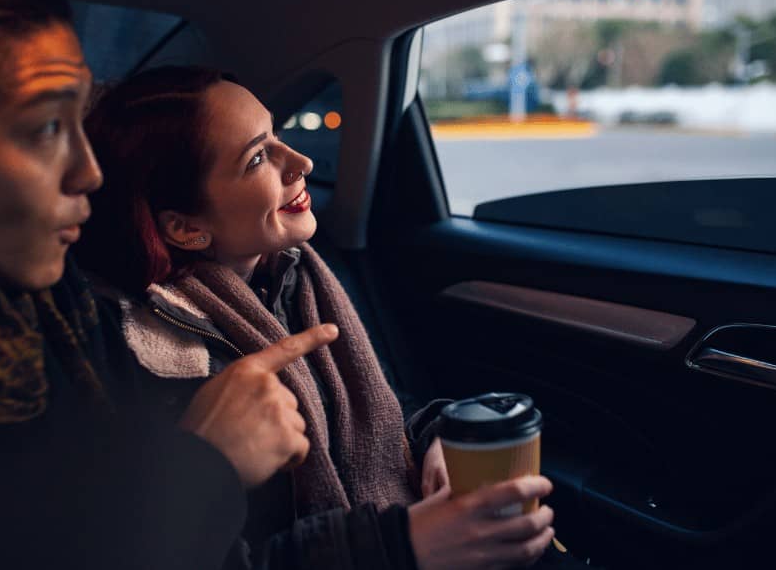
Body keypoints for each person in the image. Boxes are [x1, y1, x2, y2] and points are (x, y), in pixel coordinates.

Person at [0, 0, 330, 570]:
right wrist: (205, 465)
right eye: (44, 129)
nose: (89, 172)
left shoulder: (61, 310)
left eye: (78, 119)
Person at [77, 65, 559, 570]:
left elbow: (381, 413)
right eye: (258, 157)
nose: (301, 162)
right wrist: (400, 546)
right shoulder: (143, 356)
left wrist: (437, 441)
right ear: (186, 228)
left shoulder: (301, 276)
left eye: (277, 134)